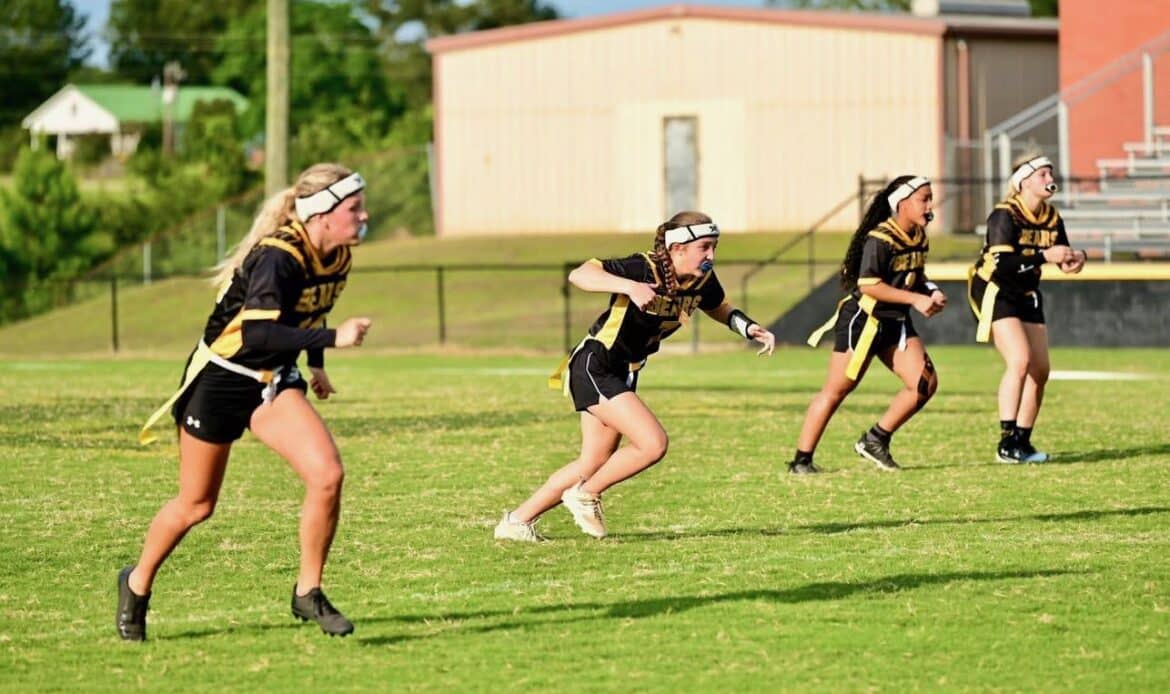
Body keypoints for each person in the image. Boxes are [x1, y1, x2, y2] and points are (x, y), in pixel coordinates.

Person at [118, 163, 373, 641]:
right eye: (354, 208)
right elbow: (257, 333)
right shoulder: (278, 257)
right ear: (322, 214)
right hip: (220, 380)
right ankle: (136, 583)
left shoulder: (337, 255)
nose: (364, 216)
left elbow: (311, 310)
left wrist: (317, 363)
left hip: (272, 381)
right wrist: (334, 339)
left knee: (327, 475)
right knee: (197, 504)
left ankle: (308, 591)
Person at [494, 211, 776, 542]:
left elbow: (718, 307)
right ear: (678, 248)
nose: (711, 255)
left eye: (714, 246)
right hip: (596, 364)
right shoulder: (645, 267)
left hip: (625, 372)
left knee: (592, 462)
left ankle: (517, 522)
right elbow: (580, 274)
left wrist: (747, 327)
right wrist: (630, 286)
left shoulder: (702, 280)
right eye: (704, 247)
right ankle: (586, 494)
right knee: (653, 444)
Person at [789, 175, 945, 474]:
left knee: (924, 384)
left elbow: (916, 275)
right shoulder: (881, 238)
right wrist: (915, 299)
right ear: (902, 203)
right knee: (837, 390)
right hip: (864, 321)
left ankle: (875, 439)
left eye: (930, 199)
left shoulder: (919, 236)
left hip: (896, 322)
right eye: (923, 199)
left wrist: (932, 291)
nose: (929, 206)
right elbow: (869, 285)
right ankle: (801, 460)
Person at [967, 153, 1085, 464]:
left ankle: (1022, 440)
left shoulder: (1052, 217)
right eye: (1042, 174)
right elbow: (1004, 265)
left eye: (1050, 173)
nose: (1050, 179)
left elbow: (1061, 257)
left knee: (1040, 371)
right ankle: (1006, 442)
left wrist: (1074, 259)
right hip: (996, 289)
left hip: (1027, 292)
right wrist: (1045, 257)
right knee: (1020, 360)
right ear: (1023, 181)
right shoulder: (1004, 215)